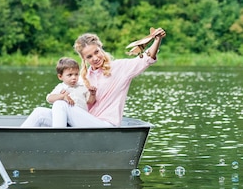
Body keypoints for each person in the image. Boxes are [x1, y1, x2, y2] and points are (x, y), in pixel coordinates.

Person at [22, 27, 166, 128]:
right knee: (40, 112)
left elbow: (146, 59)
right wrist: (64, 96)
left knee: (60, 105)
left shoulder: (120, 68)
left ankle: (57, 140)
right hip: (84, 121)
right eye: (89, 56)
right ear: (84, 59)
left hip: (104, 125)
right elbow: (73, 103)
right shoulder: (82, 78)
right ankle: (11, 144)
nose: (95, 58)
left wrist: (157, 40)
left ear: (101, 48)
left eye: (97, 52)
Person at [22, 57, 95, 127]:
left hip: (78, 120)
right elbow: (49, 98)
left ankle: (58, 135)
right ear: (60, 77)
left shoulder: (82, 87)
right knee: (38, 111)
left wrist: (92, 94)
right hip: (63, 120)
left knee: (60, 104)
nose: (74, 77)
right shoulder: (61, 87)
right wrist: (62, 96)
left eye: (76, 74)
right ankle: (19, 134)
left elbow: (90, 102)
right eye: (70, 75)